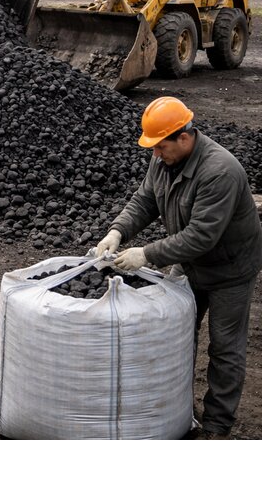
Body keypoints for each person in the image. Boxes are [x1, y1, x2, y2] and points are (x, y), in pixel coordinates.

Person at [95, 96, 262, 440]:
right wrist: (118, 230)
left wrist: (147, 254)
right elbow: (145, 200)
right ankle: (177, 408)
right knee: (177, 335)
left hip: (228, 270)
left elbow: (202, 236)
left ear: (183, 137)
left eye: (160, 147)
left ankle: (217, 425)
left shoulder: (220, 172)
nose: (155, 155)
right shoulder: (164, 160)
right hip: (189, 265)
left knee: (225, 347)